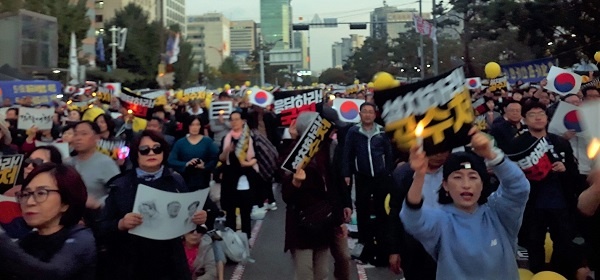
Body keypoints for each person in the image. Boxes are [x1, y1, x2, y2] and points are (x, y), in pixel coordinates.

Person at [401, 127, 530, 279]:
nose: (466, 184)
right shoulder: (441, 220)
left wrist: (492, 155)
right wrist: (419, 176)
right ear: (445, 185)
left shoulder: (498, 214)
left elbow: (519, 187)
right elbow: (412, 219)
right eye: (457, 177)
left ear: (482, 184)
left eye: (473, 177)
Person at [97, 130, 208, 280]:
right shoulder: (121, 185)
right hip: (131, 263)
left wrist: (197, 218)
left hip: (170, 263)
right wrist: (121, 224)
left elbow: (186, 219)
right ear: (136, 153)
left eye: (157, 148)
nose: (151, 153)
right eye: (144, 150)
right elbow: (101, 227)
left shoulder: (176, 181)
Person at [0, 163, 96, 280]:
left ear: (66, 202)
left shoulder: (81, 238)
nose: (30, 202)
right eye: (25, 194)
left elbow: (53, 274)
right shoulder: (29, 239)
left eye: (41, 193)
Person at [281, 112, 345, 280]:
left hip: (324, 221)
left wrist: (339, 218)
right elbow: (286, 195)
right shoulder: (293, 153)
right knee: (305, 273)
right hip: (301, 223)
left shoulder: (329, 149)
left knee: (322, 272)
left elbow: (334, 187)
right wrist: (295, 182)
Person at [342, 102, 394, 265]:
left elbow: (389, 153)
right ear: (360, 114)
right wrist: (347, 173)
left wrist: (389, 172)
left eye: (371, 112)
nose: (368, 115)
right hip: (362, 176)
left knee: (382, 212)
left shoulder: (382, 132)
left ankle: (382, 249)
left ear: (375, 114)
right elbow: (347, 153)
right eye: (365, 112)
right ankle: (364, 248)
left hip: (380, 177)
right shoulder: (354, 132)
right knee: (363, 212)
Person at [387, 150, 451, 279]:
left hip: (448, 245)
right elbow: (394, 213)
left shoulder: (455, 171)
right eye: (436, 150)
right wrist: (394, 250)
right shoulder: (404, 175)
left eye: (444, 151)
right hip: (414, 247)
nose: (439, 155)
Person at [1, 145, 64, 239]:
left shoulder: (59, 197)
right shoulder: (10, 192)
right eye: (28, 162)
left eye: (37, 163)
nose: (29, 167)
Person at [219, 111, 258, 239]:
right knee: (230, 214)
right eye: (232, 120)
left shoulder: (249, 138)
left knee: (245, 213)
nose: (234, 122)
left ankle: (246, 241)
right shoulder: (226, 138)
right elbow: (221, 159)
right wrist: (227, 151)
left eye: (237, 119)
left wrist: (246, 164)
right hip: (230, 180)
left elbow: (256, 158)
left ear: (243, 121)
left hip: (245, 180)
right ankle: (232, 243)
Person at [70, 121, 120, 207]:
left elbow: (119, 192)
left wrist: (98, 203)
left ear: (97, 138)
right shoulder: (68, 163)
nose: (78, 138)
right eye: (75, 134)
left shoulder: (105, 163)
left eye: (84, 134)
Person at [168, 115, 219, 191]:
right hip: (185, 179)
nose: (195, 127)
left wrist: (205, 166)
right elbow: (171, 160)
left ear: (200, 126)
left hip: (203, 179)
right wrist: (186, 164)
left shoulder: (207, 141)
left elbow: (216, 158)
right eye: (192, 125)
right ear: (188, 126)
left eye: (197, 124)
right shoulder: (180, 142)